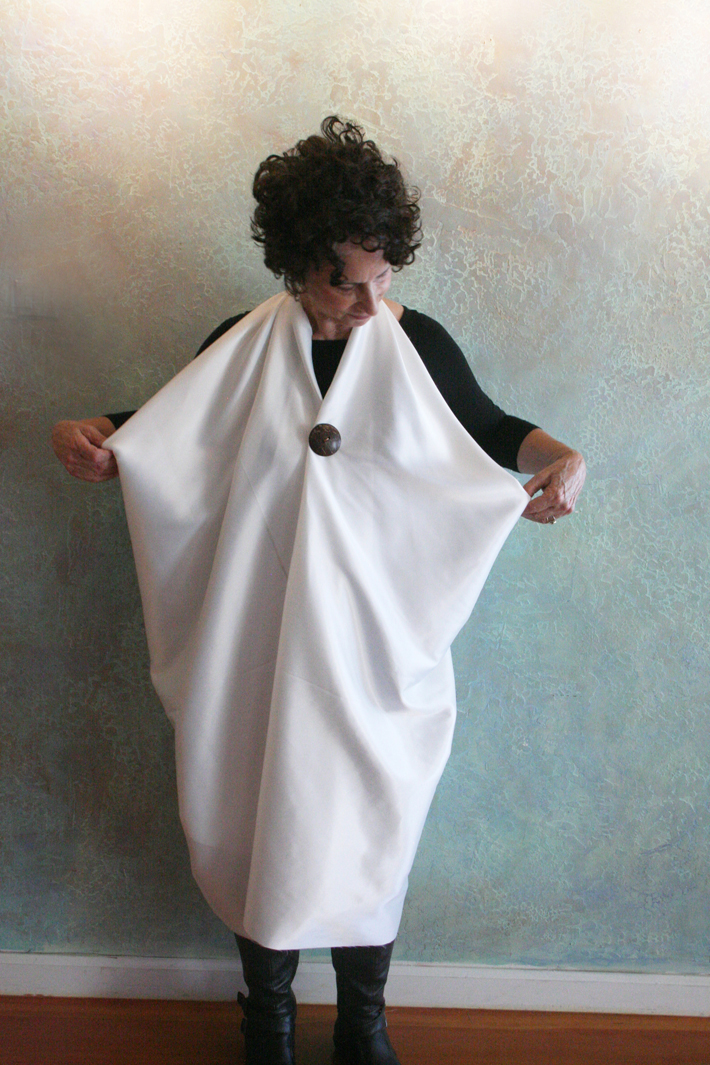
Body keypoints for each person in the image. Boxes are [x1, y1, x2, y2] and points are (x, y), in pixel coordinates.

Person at [52, 117, 586, 1065]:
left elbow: (491, 426)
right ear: (298, 266)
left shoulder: (416, 342)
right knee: (258, 817)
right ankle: (268, 1021)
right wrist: (98, 434)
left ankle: (362, 1023)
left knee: (370, 822)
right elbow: (173, 429)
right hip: (259, 645)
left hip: (375, 650)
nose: (373, 304)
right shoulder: (241, 345)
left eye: (385, 277)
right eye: (348, 282)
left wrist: (562, 458)